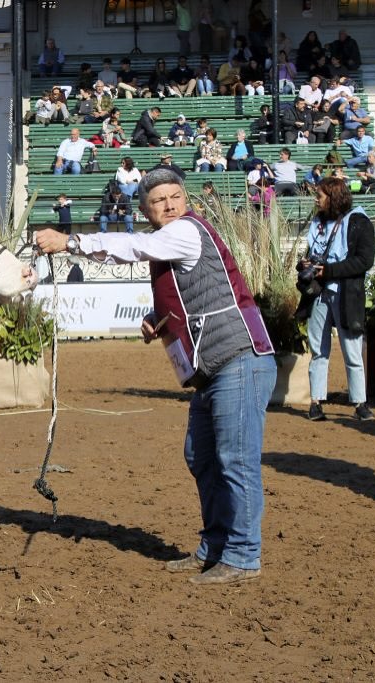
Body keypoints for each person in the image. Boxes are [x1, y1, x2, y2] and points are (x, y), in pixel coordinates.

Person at [34, 169, 277, 585]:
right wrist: (157, 319)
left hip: (238, 358)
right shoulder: (174, 240)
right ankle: (215, 548)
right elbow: (190, 293)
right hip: (216, 365)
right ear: (144, 209)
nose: (169, 204)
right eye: (159, 200)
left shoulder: (184, 230)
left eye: (175, 196)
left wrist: (71, 241)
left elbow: (133, 246)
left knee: (235, 461)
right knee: (201, 457)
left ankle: (242, 555)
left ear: (186, 200)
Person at [299, 177, 375, 422]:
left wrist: (329, 271)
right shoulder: (318, 222)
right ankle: (316, 402)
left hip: (346, 294)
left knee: (352, 350)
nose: (316, 199)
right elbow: (311, 253)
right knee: (318, 350)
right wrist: (305, 264)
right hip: (319, 294)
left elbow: (364, 261)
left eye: (319, 195)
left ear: (333, 197)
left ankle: (360, 403)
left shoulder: (359, 222)